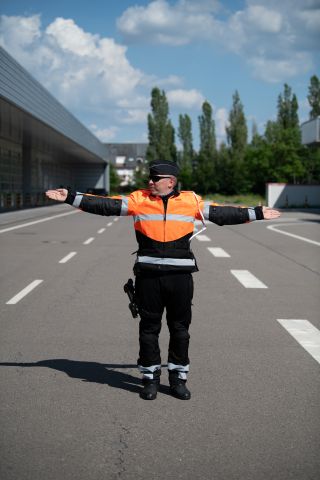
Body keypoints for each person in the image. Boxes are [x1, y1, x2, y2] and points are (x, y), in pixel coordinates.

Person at [46, 161, 281, 401]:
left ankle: (178, 379)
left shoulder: (190, 202)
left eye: (156, 178)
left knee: (180, 330)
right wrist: (71, 197)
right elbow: (106, 205)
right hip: (148, 277)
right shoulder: (139, 199)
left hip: (180, 277)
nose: (150, 182)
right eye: (150, 178)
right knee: (149, 329)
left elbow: (221, 213)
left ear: (171, 181)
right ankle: (150, 379)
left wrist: (257, 212)